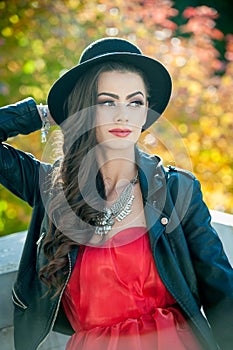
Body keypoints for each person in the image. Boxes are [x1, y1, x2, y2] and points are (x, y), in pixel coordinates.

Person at [0, 37, 233, 350]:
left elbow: (221, 290)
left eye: (135, 102)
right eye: (107, 101)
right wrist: (45, 114)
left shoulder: (179, 189)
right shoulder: (51, 187)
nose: (123, 115)